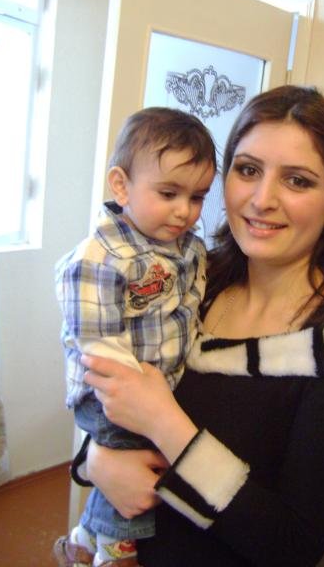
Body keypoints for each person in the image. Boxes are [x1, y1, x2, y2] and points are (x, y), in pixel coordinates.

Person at [76, 86, 324, 567]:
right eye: (248, 170)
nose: (262, 199)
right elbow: (110, 395)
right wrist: (93, 460)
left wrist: (165, 423)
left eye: (297, 181)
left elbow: (291, 548)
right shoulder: (189, 281)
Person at [54, 107, 216, 567]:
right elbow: (98, 344)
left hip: (150, 387)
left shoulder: (188, 247)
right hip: (111, 389)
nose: (185, 211)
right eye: (168, 193)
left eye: (198, 197)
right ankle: (115, 550)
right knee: (134, 457)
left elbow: (191, 305)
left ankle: (83, 540)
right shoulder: (100, 258)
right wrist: (142, 402)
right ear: (121, 186)